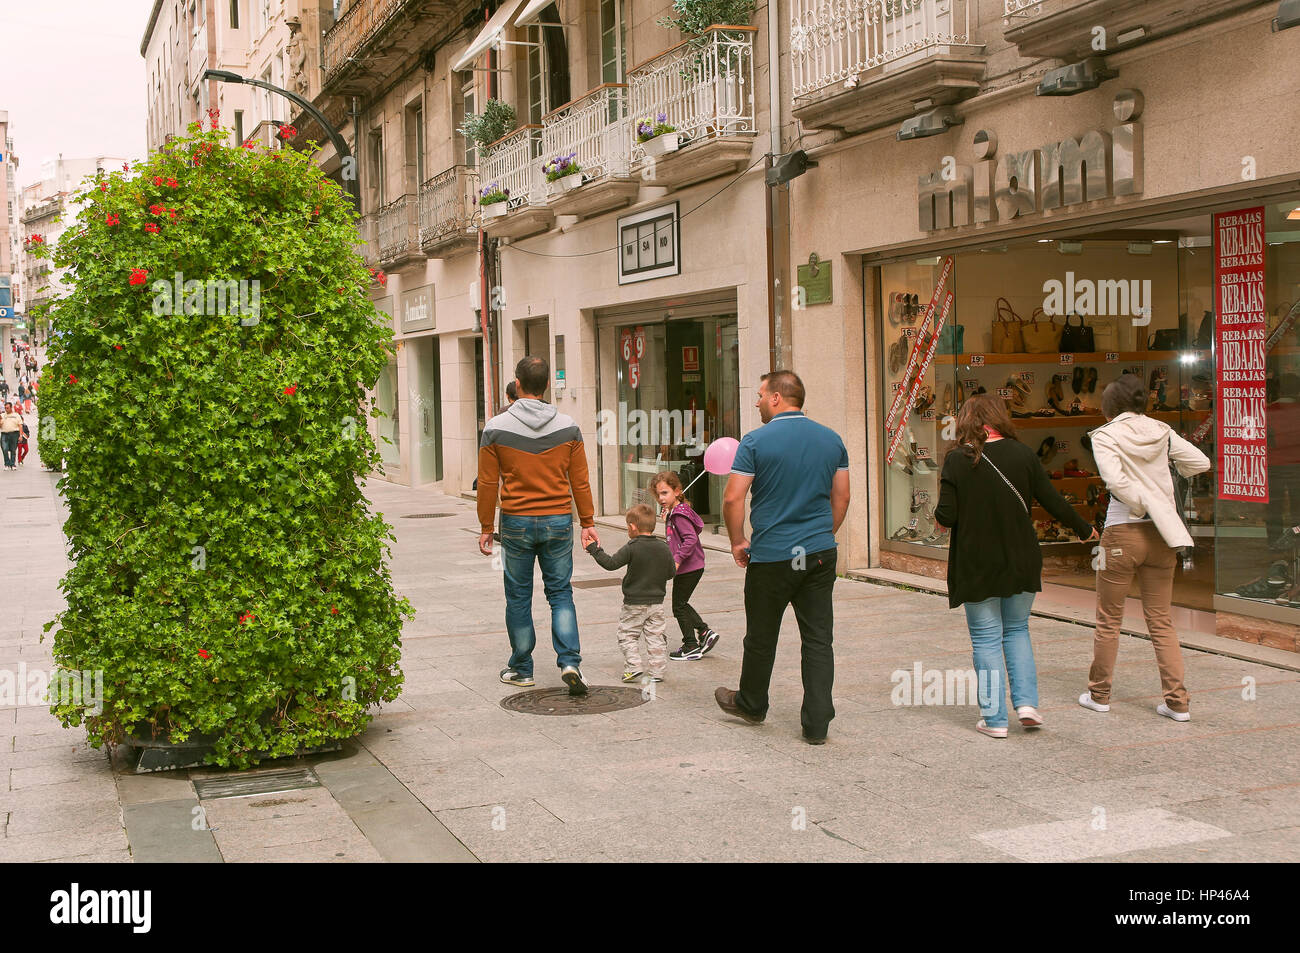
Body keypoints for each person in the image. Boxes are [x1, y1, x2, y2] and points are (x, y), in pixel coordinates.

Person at [933, 394, 1096, 738]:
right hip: (1021, 557)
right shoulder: (1023, 454)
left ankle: (994, 720)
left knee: (986, 638)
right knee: (1018, 630)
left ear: (967, 422)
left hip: (977, 562)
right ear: (999, 418)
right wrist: (1084, 529)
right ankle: (1027, 706)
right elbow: (1052, 500)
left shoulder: (957, 461)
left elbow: (947, 516)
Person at [714, 370, 850, 744]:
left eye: (760, 395)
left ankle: (752, 704)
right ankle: (817, 723)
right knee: (819, 638)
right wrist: (824, 535)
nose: (756, 401)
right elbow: (842, 498)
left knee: (761, 635)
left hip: (773, 556)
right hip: (818, 554)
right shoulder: (832, 440)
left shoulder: (755, 442)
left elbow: (731, 498)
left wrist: (738, 540)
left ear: (776, 397)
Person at [1083, 374, 1211, 722]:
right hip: (1162, 534)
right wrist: (1161, 492)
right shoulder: (1162, 430)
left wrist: (1141, 503)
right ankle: (1177, 703)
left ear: (1110, 406)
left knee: (1109, 618)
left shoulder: (1106, 435)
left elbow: (1114, 481)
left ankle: (1100, 695)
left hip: (1122, 531)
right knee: (1162, 621)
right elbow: (1200, 462)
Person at [477, 356, 598, 695]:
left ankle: (521, 668)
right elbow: (581, 481)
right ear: (546, 385)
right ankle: (570, 661)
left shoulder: (495, 428)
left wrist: (486, 525)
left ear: (517, 385)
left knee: (517, 596)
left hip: (515, 521)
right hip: (558, 520)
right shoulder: (568, 426)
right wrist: (587, 521)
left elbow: (487, 483)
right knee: (560, 593)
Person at [585, 503, 676, 683]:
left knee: (627, 635)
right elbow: (671, 572)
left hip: (634, 602)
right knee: (656, 636)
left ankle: (634, 666)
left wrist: (594, 549)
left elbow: (610, 564)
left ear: (633, 526)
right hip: (656, 603)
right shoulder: (664, 547)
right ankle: (657, 671)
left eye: (628, 526)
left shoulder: (632, 547)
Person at [649, 470, 718, 660]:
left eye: (665, 493)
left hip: (688, 567)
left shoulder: (678, 515)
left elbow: (690, 538)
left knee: (678, 606)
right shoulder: (678, 512)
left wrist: (678, 559)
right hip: (694, 566)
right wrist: (668, 521)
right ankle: (704, 632)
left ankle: (691, 645)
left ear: (677, 491)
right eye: (658, 494)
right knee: (682, 604)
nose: (661, 498)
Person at [0, 402, 22, 471]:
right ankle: (7, 463)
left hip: (14, 433)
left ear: (11, 408)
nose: (6, 409)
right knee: (4, 449)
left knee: (13, 449)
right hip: (4, 433)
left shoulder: (16, 415)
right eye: (5, 408)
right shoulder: (2, 415)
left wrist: (20, 435)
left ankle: (12, 464)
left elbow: (20, 425)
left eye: (7, 408)